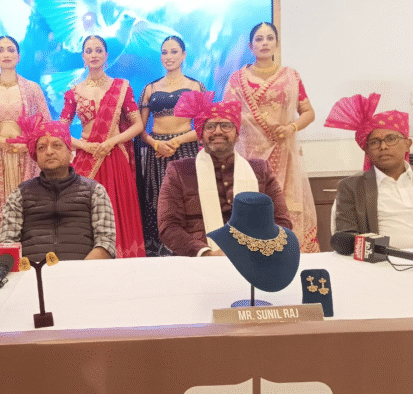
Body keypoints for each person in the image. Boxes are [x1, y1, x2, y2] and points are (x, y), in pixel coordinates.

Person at [223, 22, 319, 253]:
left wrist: (291, 128)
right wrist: (260, 121)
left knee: (285, 206)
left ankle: (287, 255)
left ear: (277, 43)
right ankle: (253, 257)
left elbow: (309, 112)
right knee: (252, 205)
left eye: (269, 38)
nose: (264, 43)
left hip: (283, 153)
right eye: (259, 39)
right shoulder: (237, 79)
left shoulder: (290, 76)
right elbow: (228, 115)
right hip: (249, 155)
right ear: (251, 46)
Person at [158, 92, 292, 257]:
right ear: (200, 136)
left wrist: (257, 249)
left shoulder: (260, 170)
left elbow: (282, 221)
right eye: (210, 126)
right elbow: (169, 226)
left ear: (237, 135)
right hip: (199, 262)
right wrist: (207, 253)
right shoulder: (179, 171)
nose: (218, 131)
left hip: (254, 260)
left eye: (226, 125)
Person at [60, 35, 145, 258]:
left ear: (106, 55)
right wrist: (84, 146)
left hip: (115, 157)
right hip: (86, 158)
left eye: (98, 50)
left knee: (118, 210)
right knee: (87, 212)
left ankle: (123, 261)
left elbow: (138, 125)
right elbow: (60, 131)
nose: (94, 55)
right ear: (83, 56)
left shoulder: (122, 87)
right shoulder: (73, 92)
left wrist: (111, 142)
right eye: (89, 51)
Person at [0, 118, 116, 262]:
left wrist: (80, 272)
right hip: (32, 273)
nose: (49, 152)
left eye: (57, 145)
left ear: (70, 153)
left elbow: (106, 243)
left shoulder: (94, 191)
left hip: (83, 272)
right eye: (41, 148)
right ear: (35, 156)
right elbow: (7, 243)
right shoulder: (20, 194)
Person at [137, 36, 206, 256]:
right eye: (164, 52)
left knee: (188, 200)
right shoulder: (150, 88)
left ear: (184, 55)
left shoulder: (195, 86)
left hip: (185, 150)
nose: (169, 57)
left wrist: (177, 141)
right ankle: (159, 252)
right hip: (157, 152)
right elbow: (140, 128)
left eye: (174, 52)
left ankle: (191, 248)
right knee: (158, 201)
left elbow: (204, 126)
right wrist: (156, 143)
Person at [0, 36, 51, 224]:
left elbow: (46, 126)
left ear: (19, 56)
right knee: (0, 215)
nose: (6, 54)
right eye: (0, 50)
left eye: (10, 50)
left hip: (27, 157)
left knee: (30, 212)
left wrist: (28, 144)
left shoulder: (32, 89)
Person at [325, 93, 413, 248]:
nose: (383, 146)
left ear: (407, 144)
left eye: (391, 139)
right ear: (367, 151)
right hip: (383, 260)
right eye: (374, 142)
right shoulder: (352, 187)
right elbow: (346, 235)